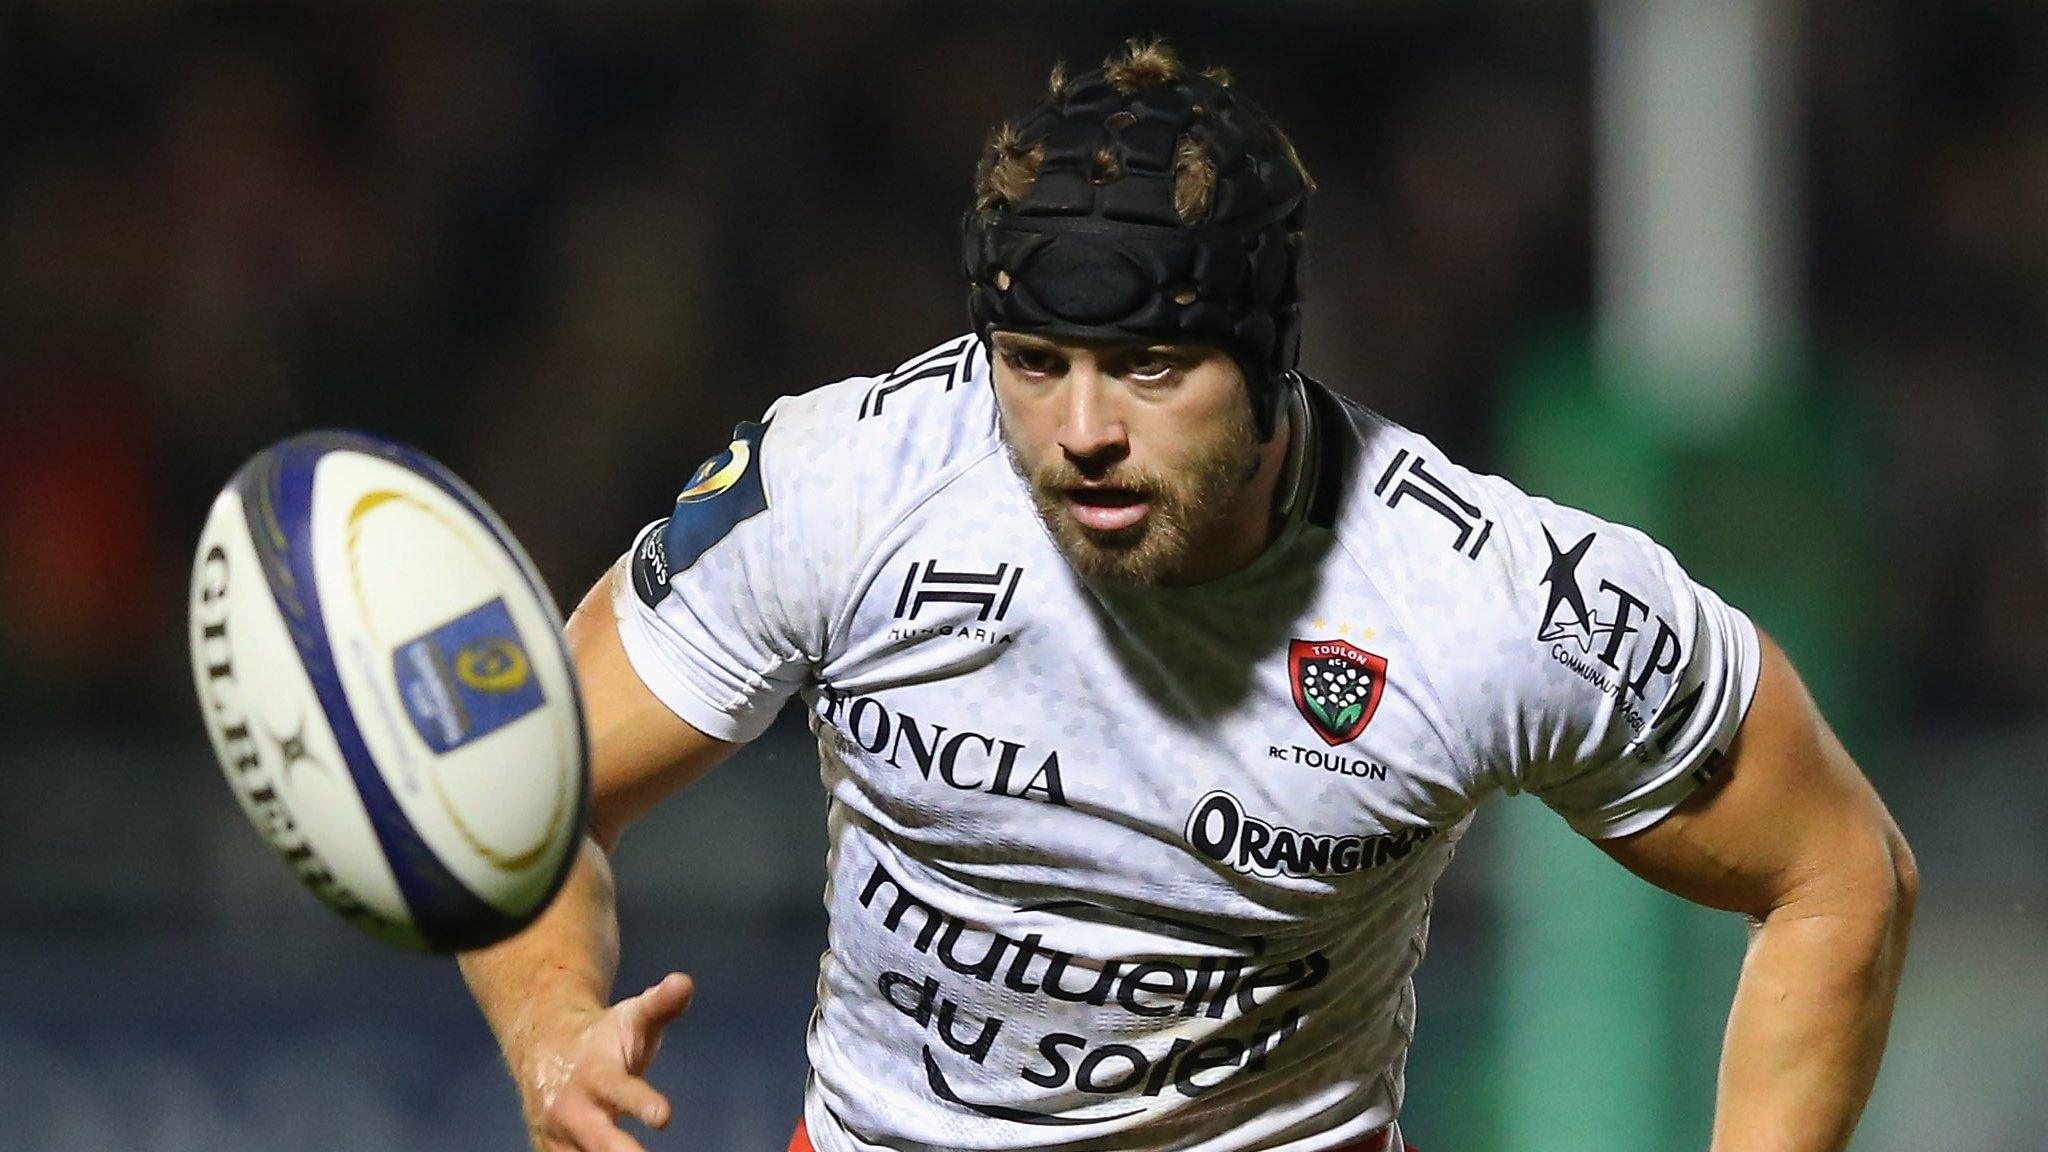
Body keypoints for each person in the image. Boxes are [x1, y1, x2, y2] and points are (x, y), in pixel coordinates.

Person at [458, 39, 1917, 1152]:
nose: (1082, 428)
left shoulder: (1485, 600)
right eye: (1033, 365)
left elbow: (1836, 876)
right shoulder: (849, 486)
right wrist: (550, 1027)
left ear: (1273, 358)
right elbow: (527, 795)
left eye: (1151, 369)